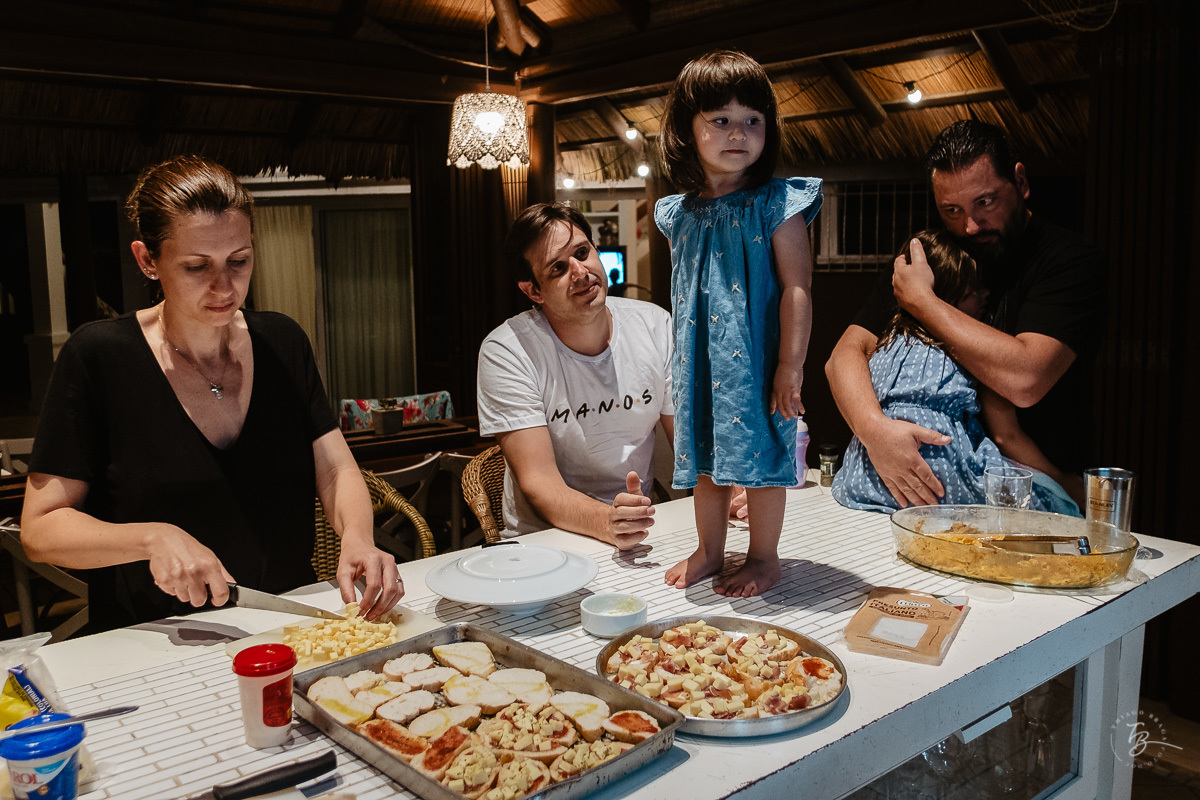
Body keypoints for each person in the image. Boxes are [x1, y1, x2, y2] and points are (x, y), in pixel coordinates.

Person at [20, 155, 403, 632]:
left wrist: (359, 537)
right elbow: (42, 528)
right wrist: (152, 538)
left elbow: (335, 468)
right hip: (157, 637)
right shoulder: (99, 356)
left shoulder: (283, 342)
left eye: (239, 261)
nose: (224, 286)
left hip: (291, 624)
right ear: (147, 260)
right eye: (197, 266)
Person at [826, 120, 1105, 509]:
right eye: (952, 210)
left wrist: (923, 302)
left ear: (1020, 182)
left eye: (985, 202)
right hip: (919, 486)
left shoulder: (1067, 260)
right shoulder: (935, 258)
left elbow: (1025, 379)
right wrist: (874, 431)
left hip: (1042, 485)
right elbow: (843, 355)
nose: (970, 226)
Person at [655, 50, 821, 597]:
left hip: (756, 361)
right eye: (721, 119)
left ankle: (764, 557)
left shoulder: (778, 203)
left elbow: (797, 288)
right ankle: (709, 550)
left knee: (762, 456)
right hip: (699, 363)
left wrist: (790, 365)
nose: (738, 133)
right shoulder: (677, 212)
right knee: (705, 459)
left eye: (752, 120)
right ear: (687, 128)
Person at [832, 230, 1079, 514]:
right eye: (970, 292)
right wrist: (1062, 484)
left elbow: (840, 358)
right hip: (943, 482)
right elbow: (1006, 436)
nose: (984, 294)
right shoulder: (968, 352)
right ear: (945, 300)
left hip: (865, 480)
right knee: (1051, 501)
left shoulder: (885, 342)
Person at [476, 203, 674, 549]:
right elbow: (540, 482)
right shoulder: (507, 350)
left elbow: (689, 441)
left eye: (583, 253)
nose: (581, 272)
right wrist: (607, 521)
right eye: (558, 268)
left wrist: (732, 491)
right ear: (533, 291)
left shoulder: (654, 325)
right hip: (543, 542)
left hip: (640, 530)